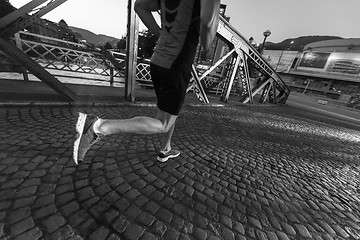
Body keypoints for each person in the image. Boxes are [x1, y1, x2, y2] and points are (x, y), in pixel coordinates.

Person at [73, 0, 220, 164]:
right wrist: (207, 50)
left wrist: (160, 33)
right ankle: (98, 127)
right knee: (164, 122)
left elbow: (140, 6)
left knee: (169, 110)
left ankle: (166, 149)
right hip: (177, 62)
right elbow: (208, 24)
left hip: (158, 61)